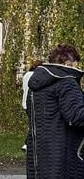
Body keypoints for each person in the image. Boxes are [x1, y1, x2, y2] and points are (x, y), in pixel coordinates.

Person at [27, 44, 84, 178]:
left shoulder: (35, 87)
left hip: (38, 157)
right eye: (76, 64)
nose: (78, 68)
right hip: (66, 158)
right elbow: (76, 117)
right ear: (68, 63)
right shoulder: (67, 82)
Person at [21, 59, 42, 151]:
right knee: (35, 124)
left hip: (25, 102)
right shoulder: (36, 76)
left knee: (33, 123)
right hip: (32, 102)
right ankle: (27, 144)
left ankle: (31, 143)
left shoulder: (26, 75)